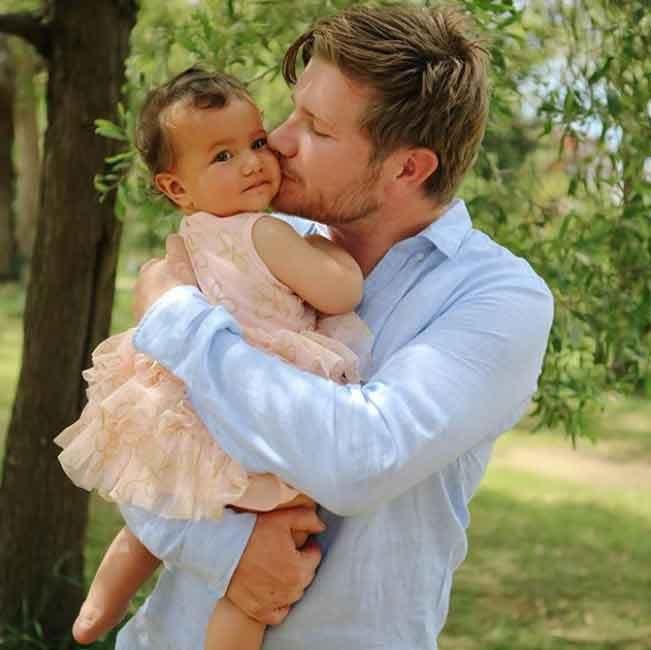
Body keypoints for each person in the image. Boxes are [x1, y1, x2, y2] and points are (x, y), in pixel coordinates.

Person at [97, 4, 553, 649]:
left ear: (407, 168)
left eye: (316, 128)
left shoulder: (497, 299)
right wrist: (222, 547)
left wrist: (176, 319)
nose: (277, 142)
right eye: (291, 111)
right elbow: (142, 438)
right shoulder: (254, 243)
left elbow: (361, 458)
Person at [58, 67, 371, 650]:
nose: (254, 162)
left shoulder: (191, 236)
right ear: (176, 187)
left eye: (255, 143)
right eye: (222, 156)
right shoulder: (267, 233)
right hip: (245, 407)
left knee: (161, 507)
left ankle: (95, 613)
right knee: (262, 577)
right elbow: (339, 294)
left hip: (187, 402)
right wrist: (334, 254)